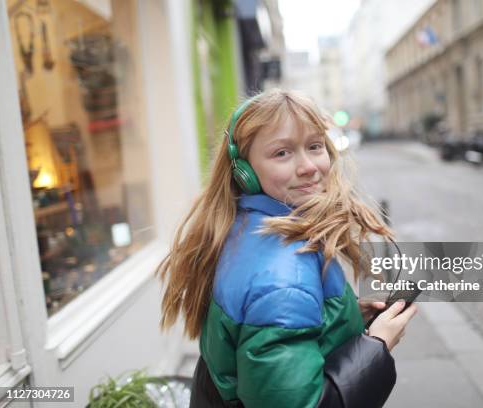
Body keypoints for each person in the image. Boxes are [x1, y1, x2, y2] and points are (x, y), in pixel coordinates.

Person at [156, 89, 418, 408]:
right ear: (244, 171)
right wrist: (377, 345)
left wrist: (342, 317)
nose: (308, 166)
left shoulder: (245, 223)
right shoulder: (282, 279)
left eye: (315, 146)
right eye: (282, 153)